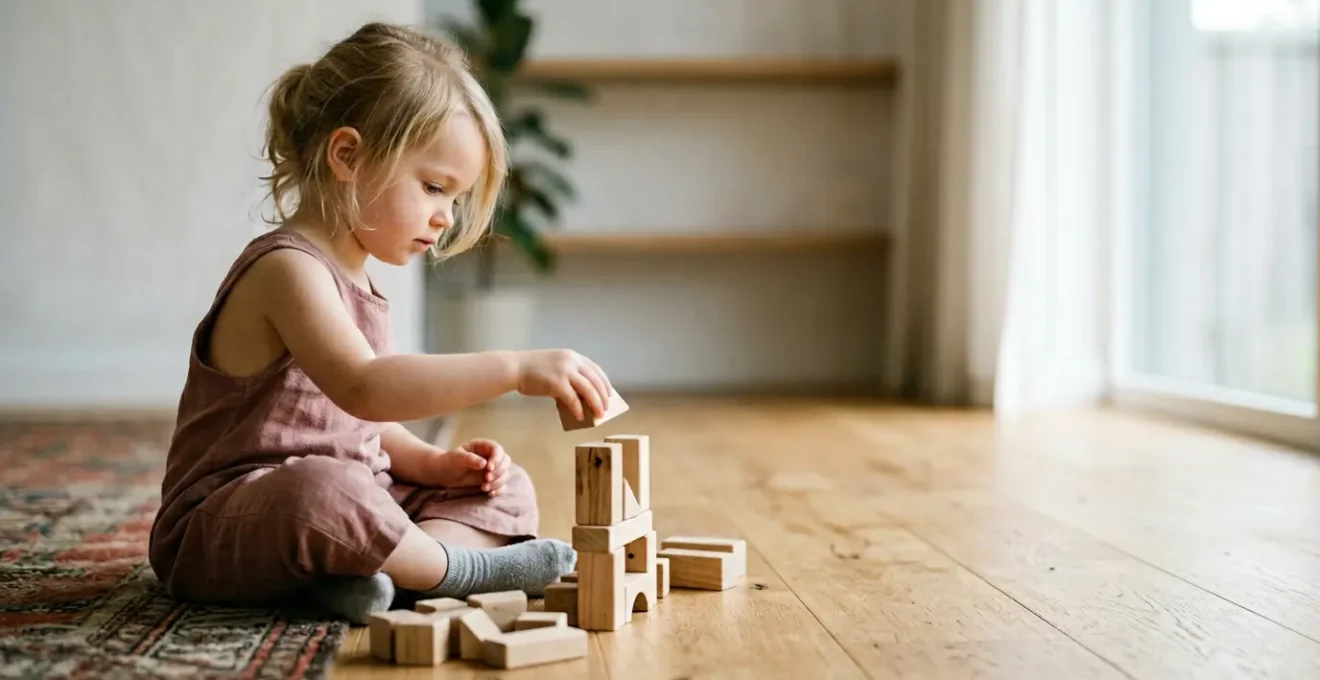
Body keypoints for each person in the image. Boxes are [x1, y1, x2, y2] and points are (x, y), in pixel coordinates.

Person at [147, 22, 612, 625]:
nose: (445, 217)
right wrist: (514, 368)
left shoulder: (361, 274)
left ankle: (374, 575)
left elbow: (361, 421)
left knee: (502, 488)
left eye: (455, 198)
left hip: (345, 505)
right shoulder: (288, 269)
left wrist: (433, 465)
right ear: (348, 156)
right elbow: (363, 386)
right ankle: (457, 571)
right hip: (225, 524)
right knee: (325, 494)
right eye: (433, 187)